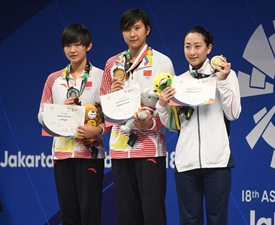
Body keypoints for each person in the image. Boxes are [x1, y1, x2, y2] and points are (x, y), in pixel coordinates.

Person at [156, 26, 242, 225]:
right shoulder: (178, 82)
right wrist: (162, 104)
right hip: (186, 163)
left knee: (217, 220)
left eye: (197, 46)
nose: (192, 52)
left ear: (209, 48)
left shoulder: (227, 75)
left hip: (217, 162)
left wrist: (222, 82)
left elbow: (233, 113)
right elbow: (173, 125)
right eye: (187, 47)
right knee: (189, 221)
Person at [99, 8, 175, 225]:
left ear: (147, 30)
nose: (132, 34)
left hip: (150, 147)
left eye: (137, 28)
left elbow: (169, 107)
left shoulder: (162, 62)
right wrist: (114, 97)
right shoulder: (112, 64)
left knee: (152, 214)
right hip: (120, 148)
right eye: (127, 29)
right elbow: (102, 106)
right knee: (126, 214)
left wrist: (151, 122)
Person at [38, 24, 106, 225]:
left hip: (90, 153)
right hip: (62, 154)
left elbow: (109, 114)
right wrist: (61, 111)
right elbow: (42, 114)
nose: (72, 50)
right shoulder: (54, 79)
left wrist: (98, 129)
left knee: (90, 211)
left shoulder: (101, 76)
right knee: (68, 213)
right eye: (68, 45)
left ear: (88, 46)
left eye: (77, 44)